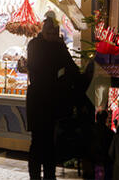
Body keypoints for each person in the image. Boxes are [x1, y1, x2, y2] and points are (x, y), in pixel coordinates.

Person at [26, 11, 80, 180]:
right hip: (41, 100)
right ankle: (38, 176)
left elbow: (70, 68)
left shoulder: (54, 46)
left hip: (46, 101)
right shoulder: (38, 45)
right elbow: (42, 69)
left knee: (47, 142)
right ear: (44, 30)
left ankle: (48, 176)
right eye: (49, 32)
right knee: (40, 142)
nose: (52, 35)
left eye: (54, 32)